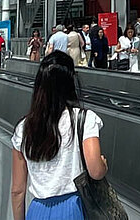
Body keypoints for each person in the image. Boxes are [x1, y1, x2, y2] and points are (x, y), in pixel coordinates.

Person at [10, 52, 108, 220]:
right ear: (71, 82)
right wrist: (103, 165)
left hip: (38, 211)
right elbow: (96, 171)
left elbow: (17, 190)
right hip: (74, 209)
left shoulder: (24, 128)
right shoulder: (84, 119)